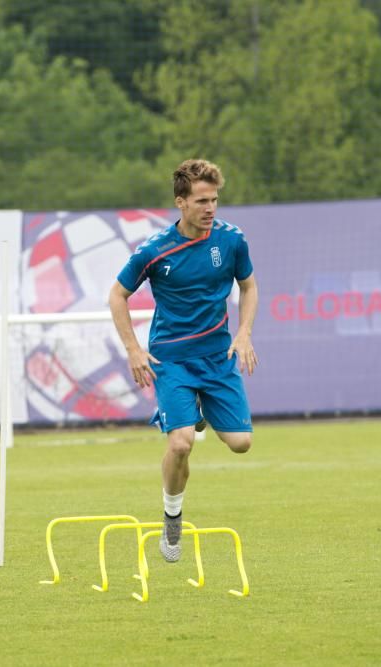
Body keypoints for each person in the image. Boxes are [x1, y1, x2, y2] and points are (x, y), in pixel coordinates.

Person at [109, 159, 258, 562]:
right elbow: (117, 296)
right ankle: (172, 518)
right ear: (181, 202)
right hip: (172, 361)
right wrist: (134, 349)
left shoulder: (232, 240)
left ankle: (201, 410)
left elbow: (248, 286)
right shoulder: (155, 251)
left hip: (217, 357)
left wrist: (243, 332)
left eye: (215, 200)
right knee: (181, 443)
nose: (211, 208)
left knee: (241, 444)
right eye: (202, 201)